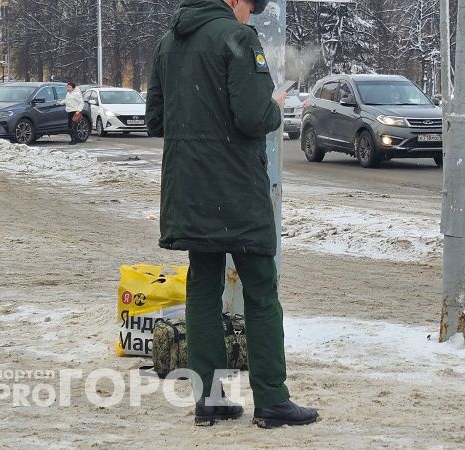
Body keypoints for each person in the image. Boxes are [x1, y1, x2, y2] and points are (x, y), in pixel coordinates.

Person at [145, 0, 318, 429]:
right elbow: (253, 116)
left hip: (188, 190)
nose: (250, 16)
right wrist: (274, 102)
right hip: (237, 191)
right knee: (260, 290)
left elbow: (155, 120)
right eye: (250, 7)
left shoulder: (168, 42)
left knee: (202, 290)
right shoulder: (238, 38)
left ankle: (212, 399)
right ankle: (273, 401)